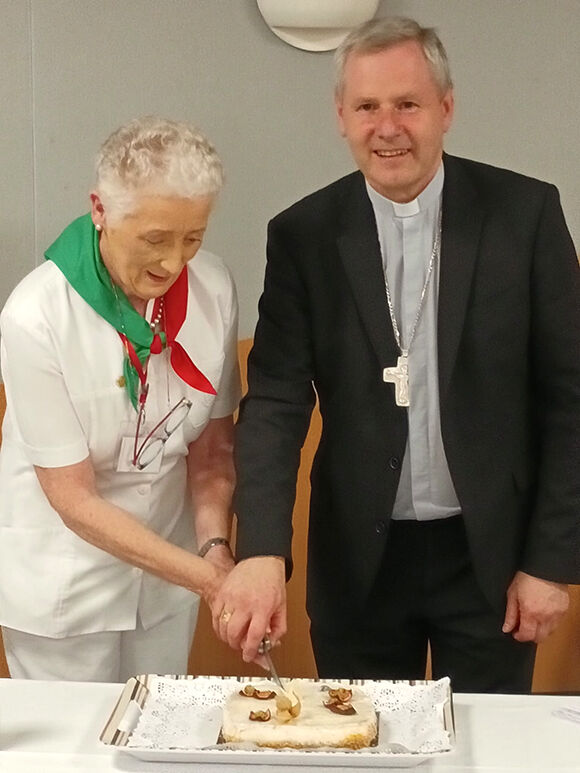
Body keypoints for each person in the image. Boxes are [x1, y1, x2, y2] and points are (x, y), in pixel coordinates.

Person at [212, 17, 580, 693]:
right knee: (363, 751)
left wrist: (551, 559)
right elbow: (274, 403)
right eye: (367, 107)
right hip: (360, 561)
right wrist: (262, 546)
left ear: (445, 108)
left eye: (407, 104)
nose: (388, 127)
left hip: (493, 557)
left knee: (487, 752)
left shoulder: (525, 215)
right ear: (341, 117)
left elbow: (570, 397)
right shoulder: (303, 235)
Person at [0, 116, 241, 681]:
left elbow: (211, 448)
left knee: (157, 747)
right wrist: (212, 580)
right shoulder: (37, 315)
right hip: (65, 585)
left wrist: (214, 548)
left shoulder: (214, 287)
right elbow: (73, 498)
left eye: (193, 238)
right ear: (100, 210)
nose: (173, 263)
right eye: (155, 239)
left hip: (168, 577)